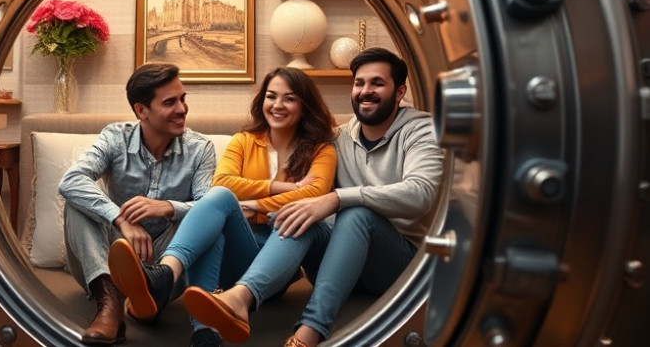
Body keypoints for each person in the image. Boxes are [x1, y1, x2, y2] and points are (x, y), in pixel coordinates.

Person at [181, 47, 443, 347]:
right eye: (359, 83)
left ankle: (309, 333)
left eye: (376, 83)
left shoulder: (421, 130)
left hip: (398, 262)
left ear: (399, 93)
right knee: (301, 216)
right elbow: (297, 181)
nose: (365, 91)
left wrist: (338, 198)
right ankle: (233, 299)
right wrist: (278, 199)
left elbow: (420, 194)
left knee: (356, 213)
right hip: (340, 261)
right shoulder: (338, 137)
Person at [108, 67, 338, 347]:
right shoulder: (243, 141)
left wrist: (253, 204)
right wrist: (282, 188)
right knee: (218, 198)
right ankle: (178, 293)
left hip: (282, 258)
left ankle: (179, 289)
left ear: (304, 105)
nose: (277, 106)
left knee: (301, 216)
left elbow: (314, 195)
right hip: (244, 251)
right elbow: (225, 182)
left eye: (289, 99)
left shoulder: (321, 150)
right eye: (271, 96)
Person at [57, 62, 218, 346]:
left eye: (183, 99)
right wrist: (121, 218)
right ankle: (110, 304)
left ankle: (150, 296)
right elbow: (71, 180)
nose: (181, 109)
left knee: (202, 213)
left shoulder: (200, 149)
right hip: (114, 257)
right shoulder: (115, 138)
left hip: (169, 263)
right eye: (170, 102)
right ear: (141, 111)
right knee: (77, 203)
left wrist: (168, 206)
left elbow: (211, 207)